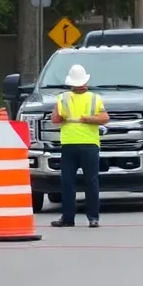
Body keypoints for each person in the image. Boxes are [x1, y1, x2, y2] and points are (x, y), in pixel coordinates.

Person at [50, 63, 109, 228]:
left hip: (69, 144)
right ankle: (93, 218)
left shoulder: (62, 98)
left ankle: (68, 218)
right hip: (90, 144)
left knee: (67, 181)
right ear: (85, 82)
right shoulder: (94, 98)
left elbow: (55, 119)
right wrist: (90, 119)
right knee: (91, 181)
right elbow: (105, 118)